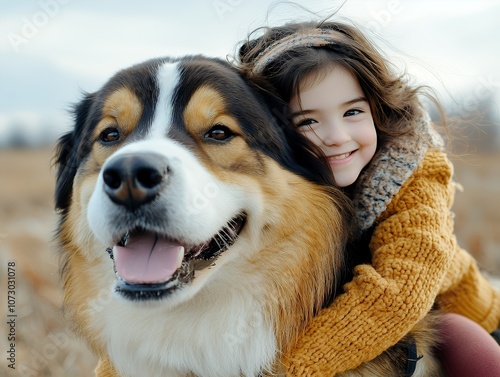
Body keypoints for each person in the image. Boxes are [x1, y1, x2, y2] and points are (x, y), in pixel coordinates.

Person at [237, 19, 500, 376]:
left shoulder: (411, 172)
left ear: (377, 109)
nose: (337, 136)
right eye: (307, 122)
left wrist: (288, 371)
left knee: (465, 339)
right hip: (342, 302)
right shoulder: (277, 187)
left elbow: (399, 294)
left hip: (455, 308)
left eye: (353, 112)